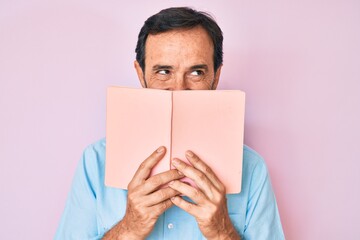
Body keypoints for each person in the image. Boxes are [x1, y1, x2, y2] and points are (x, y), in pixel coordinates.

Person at [55, 7, 284, 240]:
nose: (179, 88)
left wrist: (222, 232)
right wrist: (129, 227)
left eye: (196, 72)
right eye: (164, 71)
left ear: (215, 77)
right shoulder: (95, 162)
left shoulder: (252, 168)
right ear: (140, 74)